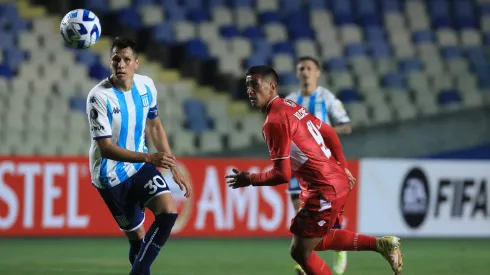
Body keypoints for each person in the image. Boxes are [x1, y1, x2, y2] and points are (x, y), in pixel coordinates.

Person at [226, 66, 402, 275]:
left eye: (254, 85)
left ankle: (381, 245)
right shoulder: (291, 106)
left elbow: (282, 174)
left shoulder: (274, 122)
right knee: (313, 242)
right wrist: (342, 167)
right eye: (247, 86)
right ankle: (382, 244)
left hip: (324, 188)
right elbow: (328, 132)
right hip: (330, 182)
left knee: (300, 252)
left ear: (272, 86)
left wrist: (250, 179)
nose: (250, 91)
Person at [86, 37, 191, 275]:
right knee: (138, 239)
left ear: (136, 63)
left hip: (140, 166)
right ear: (110, 62)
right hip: (110, 175)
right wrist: (149, 158)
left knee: (169, 212)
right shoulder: (99, 97)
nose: (120, 64)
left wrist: (171, 165)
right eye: (116, 59)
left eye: (126, 59)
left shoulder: (146, 86)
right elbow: (105, 148)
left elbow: (154, 126)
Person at [286, 56, 352, 275]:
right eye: (301, 68)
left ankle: (340, 249)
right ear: (297, 73)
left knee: (328, 215)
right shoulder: (290, 100)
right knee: (300, 208)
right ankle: (305, 260)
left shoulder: (326, 97)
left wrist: (322, 132)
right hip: (298, 163)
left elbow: (346, 126)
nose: (305, 72)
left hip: (324, 163)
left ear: (317, 72)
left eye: (309, 68)